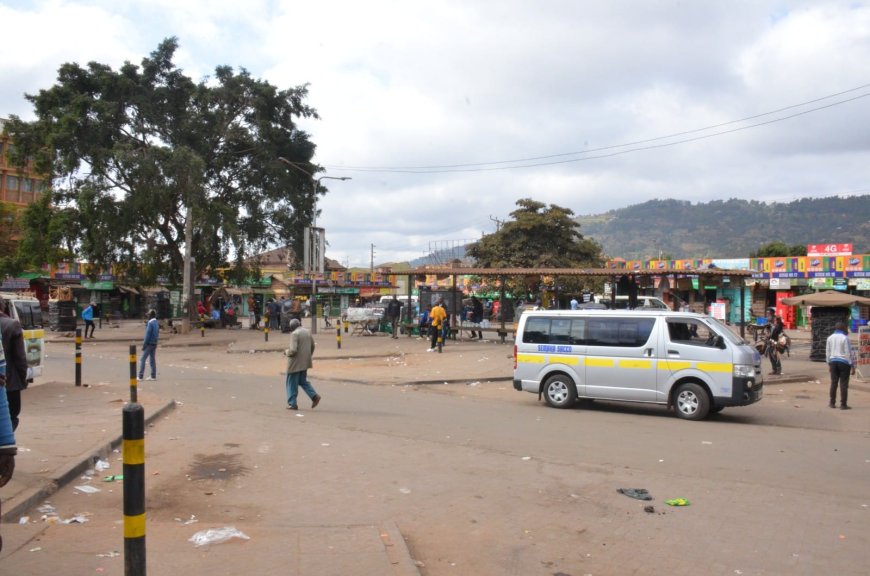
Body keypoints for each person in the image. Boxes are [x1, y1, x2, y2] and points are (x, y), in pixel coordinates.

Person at [0, 299, 29, 431]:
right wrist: (22, 380)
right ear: (3, 307)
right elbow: (20, 359)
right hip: (9, 383)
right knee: (11, 417)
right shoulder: (11, 325)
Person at [283, 318, 321, 410]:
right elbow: (313, 345)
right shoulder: (307, 331)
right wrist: (308, 356)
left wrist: (286, 352)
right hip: (305, 362)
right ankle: (314, 396)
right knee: (302, 381)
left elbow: (293, 350)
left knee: (291, 382)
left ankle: (292, 403)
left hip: (295, 363)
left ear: (292, 327)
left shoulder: (294, 334)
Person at [826, 321, 854, 410]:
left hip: (833, 362)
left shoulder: (830, 338)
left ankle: (832, 402)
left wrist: (829, 363)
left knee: (834, 383)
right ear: (843, 328)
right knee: (844, 384)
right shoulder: (845, 338)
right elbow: (848, 352)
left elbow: (828, 352)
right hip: (844, 363)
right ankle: (843, 404)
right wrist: (852, 365)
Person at [138, 309, 159, 381]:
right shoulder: (156, 322)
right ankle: (153, 376)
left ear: (150, 315)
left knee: (142, 359)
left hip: (149, 343)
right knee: (152, 359)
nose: (147, 316)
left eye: (148, 315)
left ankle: (140, 376)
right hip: (154, 343)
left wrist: (144, 345)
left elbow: (147, 335)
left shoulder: (150, 323)